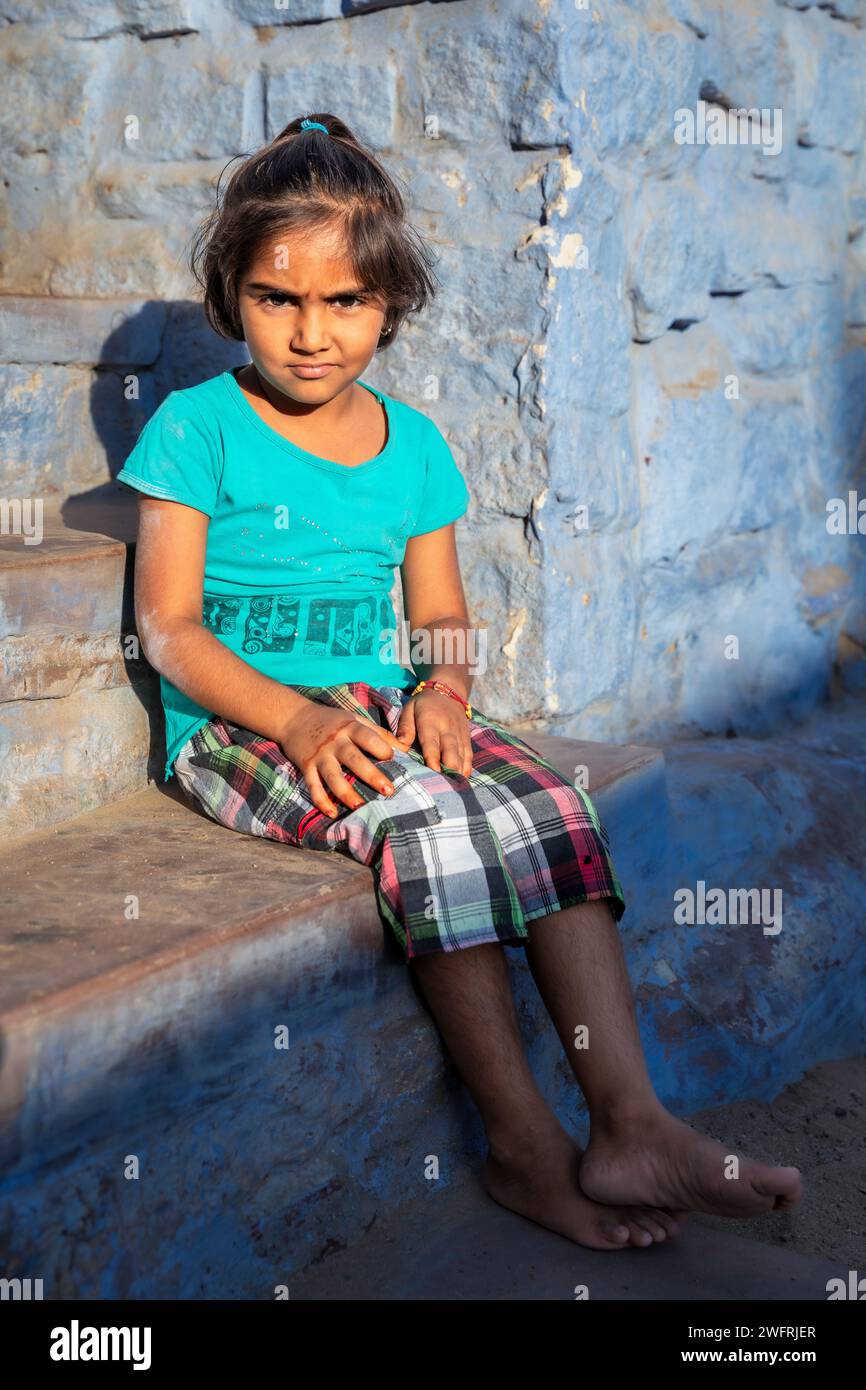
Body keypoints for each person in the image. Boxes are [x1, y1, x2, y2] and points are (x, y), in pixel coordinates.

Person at [117, 113, 802, 1252]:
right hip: (240, 724)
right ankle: (523, 1147)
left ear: (389, 303)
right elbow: (170, 629)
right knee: (430, 827)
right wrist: (290, 718)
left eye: (344, 301)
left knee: (548, 807)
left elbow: (437, 615)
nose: (309, 332)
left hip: (383, 703)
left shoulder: (414, 444)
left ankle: (628, 1119)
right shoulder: (199, 428)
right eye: (277, 297)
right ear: (228, 292)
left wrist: (441, 692)